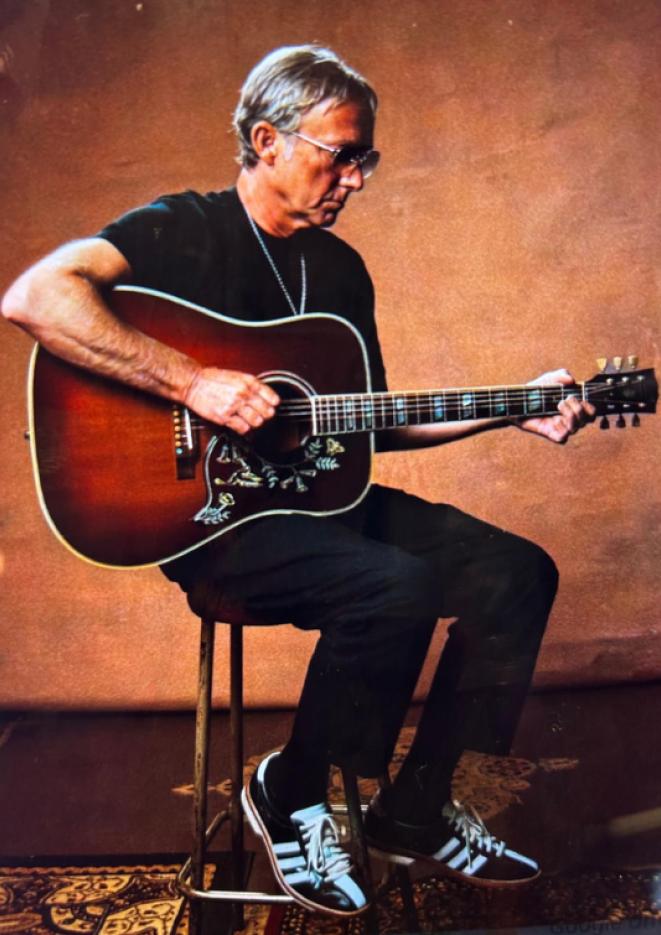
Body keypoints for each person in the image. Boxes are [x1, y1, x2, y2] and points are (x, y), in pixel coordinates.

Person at [2, 45, 595, 918]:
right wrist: (192, 381)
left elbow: (367, 423)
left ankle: (416, 807)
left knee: (516, 569)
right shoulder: (183, 227)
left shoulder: (338, 271)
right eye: (339, 154)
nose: (354, 179)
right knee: (393, 586)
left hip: (322, 504)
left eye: (366, 159)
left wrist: (512, 407)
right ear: (267, 140)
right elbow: (34, 298)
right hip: (212, 525)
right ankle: (292, 786)